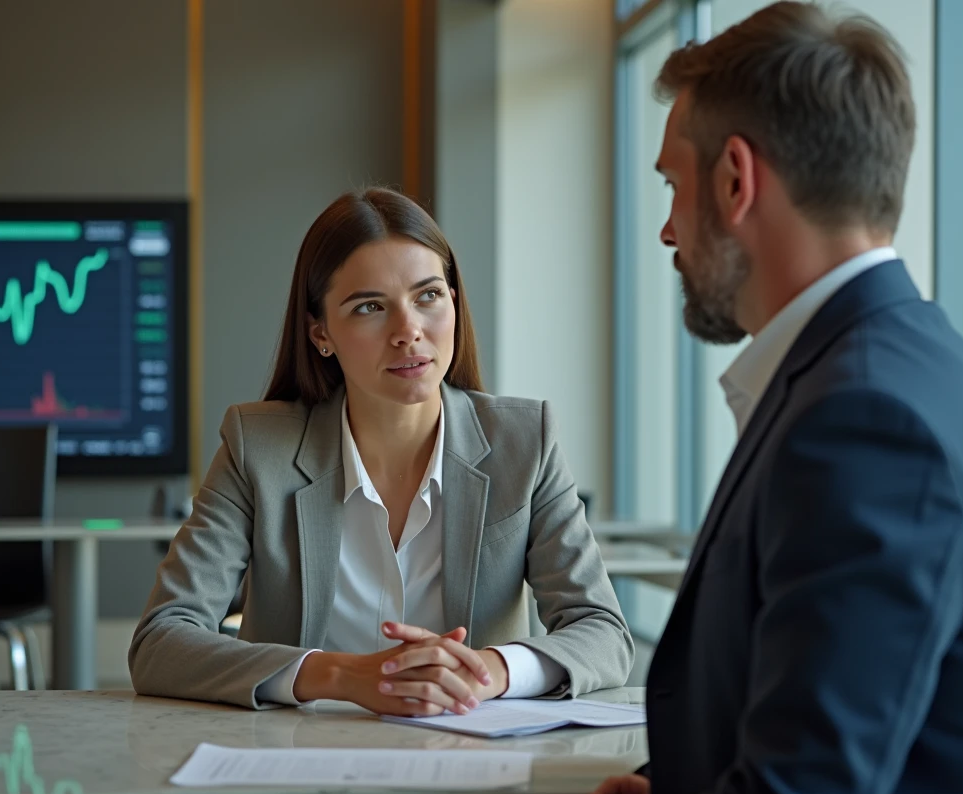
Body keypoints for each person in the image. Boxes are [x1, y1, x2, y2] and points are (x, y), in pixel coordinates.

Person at [591, 3, 963, 794]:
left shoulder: (864, 420)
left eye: (672, 186)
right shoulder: (913, 368)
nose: (667, 232)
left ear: (734, 180)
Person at [130, 187, 633, 714]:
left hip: (474, 766)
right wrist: (344, 675)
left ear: (455, 304)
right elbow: (160, 641)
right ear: (320, 332)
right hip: (299, 765)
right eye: (370, 307)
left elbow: (602, 632)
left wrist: (482, 673)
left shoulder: (524, 441)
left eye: (428, 296)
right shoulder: (258, 448)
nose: (408, 331)